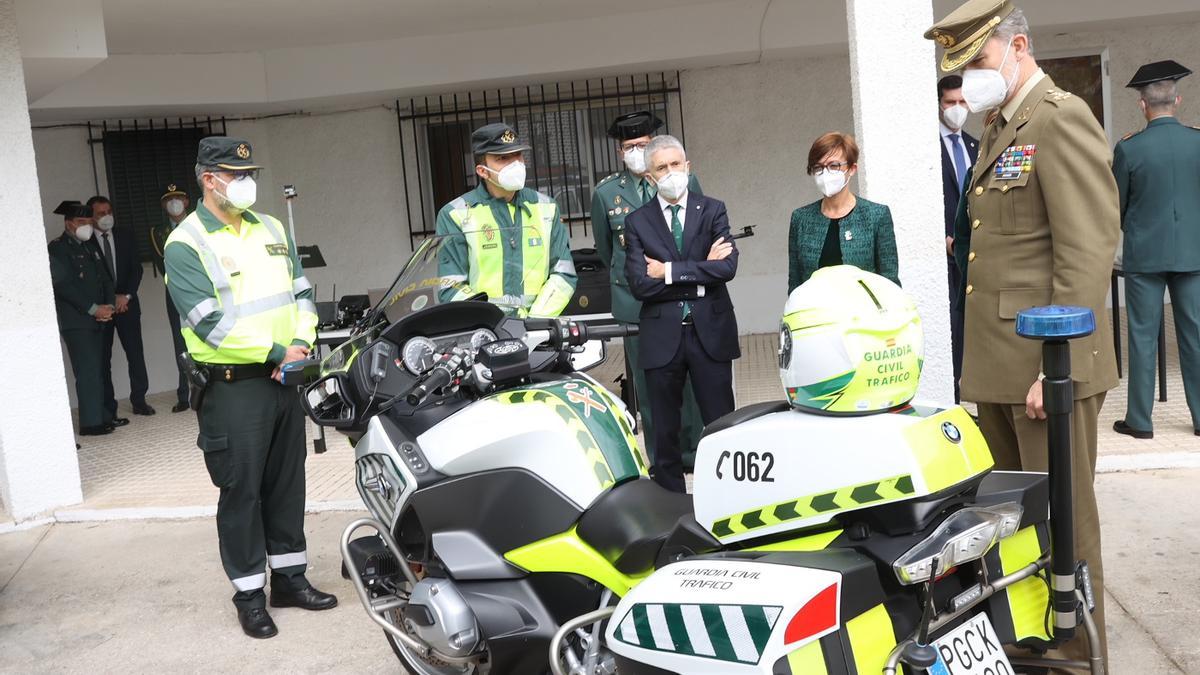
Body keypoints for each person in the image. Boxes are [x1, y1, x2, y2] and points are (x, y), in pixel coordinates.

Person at [926, 0, 1120, 662]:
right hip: (999, 365)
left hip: (1046, 366)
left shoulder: (1059, 118)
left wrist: (1051, 367)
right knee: (1015, 520)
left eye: (976, 61)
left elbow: (1088, 247)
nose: (969, 79)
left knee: (1065, 516)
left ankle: (1080, 652)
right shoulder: (1000, 126)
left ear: (1018, 47)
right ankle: (1037, 637)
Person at [164, 137, 334, 639]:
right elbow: (207, 323)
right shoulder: (186, 242)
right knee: (242, 492)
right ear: (208, 179)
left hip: (285, 379)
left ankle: (290, 580)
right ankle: (248, 594)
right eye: (234, 174)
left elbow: (302, 293)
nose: (245, 182)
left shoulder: (271, 227)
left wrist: (301, 343)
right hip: (235, 387)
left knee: (287, 483)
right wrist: (276, 352)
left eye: (248, 172)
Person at [624, 135, 739, 492]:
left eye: (676, 164)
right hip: (662, 337)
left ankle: (730, 494)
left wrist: (668, 272)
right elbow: (641, 285)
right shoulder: (637, 222)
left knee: (723, 424)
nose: (671, 172)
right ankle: (670, 504)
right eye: (662, 167)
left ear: (688, 167)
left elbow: (728, 268)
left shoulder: (714, 209)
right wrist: (700, 272)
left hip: (711, 332)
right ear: (649, 177)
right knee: (664, 429)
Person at [591, 110, 704, 469]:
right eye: (630, 146)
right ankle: (663, 460)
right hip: (636, 304)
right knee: (651, 386)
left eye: (644, 145)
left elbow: (698, 233)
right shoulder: (607, 193)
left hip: (681, 297)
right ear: (620, 151)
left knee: (690, 381)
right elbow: (607, 250)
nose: (637, 151)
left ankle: (696, 453)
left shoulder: (681, 180)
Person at [1112, 60, 1200, 439]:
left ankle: (1140, 421)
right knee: (1195, 337)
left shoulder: (1129, 148)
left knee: (1142, 338)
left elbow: (1117, 205)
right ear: (1177, 100)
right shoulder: (1198, 140)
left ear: (1142, 105)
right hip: (1194, 253)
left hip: (1145, 255)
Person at [436, 122, 577, 317]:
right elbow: (451, 285)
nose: (515, 164)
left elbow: (564, 274)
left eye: (518, 155)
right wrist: (493, 321)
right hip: (485, 331)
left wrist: (534, 322)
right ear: (482, 171)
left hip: (540, 329)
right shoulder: (455, 213)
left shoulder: (547, 207)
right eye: (502, 158)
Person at [787, 132, 899, 292]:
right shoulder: (801, 218)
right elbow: (795, 284)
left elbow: (890, 282)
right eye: (818, 167)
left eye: (834, 166)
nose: (825, 173)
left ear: (852, 169)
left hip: (863, 313)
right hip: (816, 314)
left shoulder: (876, 215)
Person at [47, 201, 118, 436]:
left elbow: (105, 277)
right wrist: (92, 309)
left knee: (98, 370)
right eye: (81, 222)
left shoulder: (90, 245)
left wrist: (108, 305)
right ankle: (90, 423)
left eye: (89, 222)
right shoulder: (58, 248)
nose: (86, 226)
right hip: (77, 321)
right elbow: (64, 286)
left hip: (99, 318)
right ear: (69, 224)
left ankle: (102, 416)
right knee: (87, 371)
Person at [88, 196, 153, 417]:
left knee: (135, 353)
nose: (106, 217)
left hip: (128, 306)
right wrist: (109, 300)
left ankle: (139, 400)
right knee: (102, 358)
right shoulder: (87, 241)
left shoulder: (125, 235)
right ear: (91, 217)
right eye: (100, 213)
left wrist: (126, 296)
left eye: (108, 211)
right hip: (102, 309)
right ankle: (109, 407)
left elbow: (137, 269)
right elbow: (90, 278)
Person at [938, 75, 979, 402]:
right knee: (951, 327)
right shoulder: (926, 147)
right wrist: (943, 238)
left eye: (962, 102)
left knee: (973, 326)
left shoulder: (975, 145)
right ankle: (951, 396)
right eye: (950, 103)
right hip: (943, 253)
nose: (956, 109)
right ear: (939, 103)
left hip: (975, 252)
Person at [153, 184, 194, 413]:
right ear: (163, 205)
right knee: (180, 343)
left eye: (179, 197)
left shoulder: (200, 224)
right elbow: (163, 264)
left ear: (187, 201)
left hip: (204, 290)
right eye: (169, 199)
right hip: (175, 292)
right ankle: (184, 394)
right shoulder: (157, 232)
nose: (174, 202)